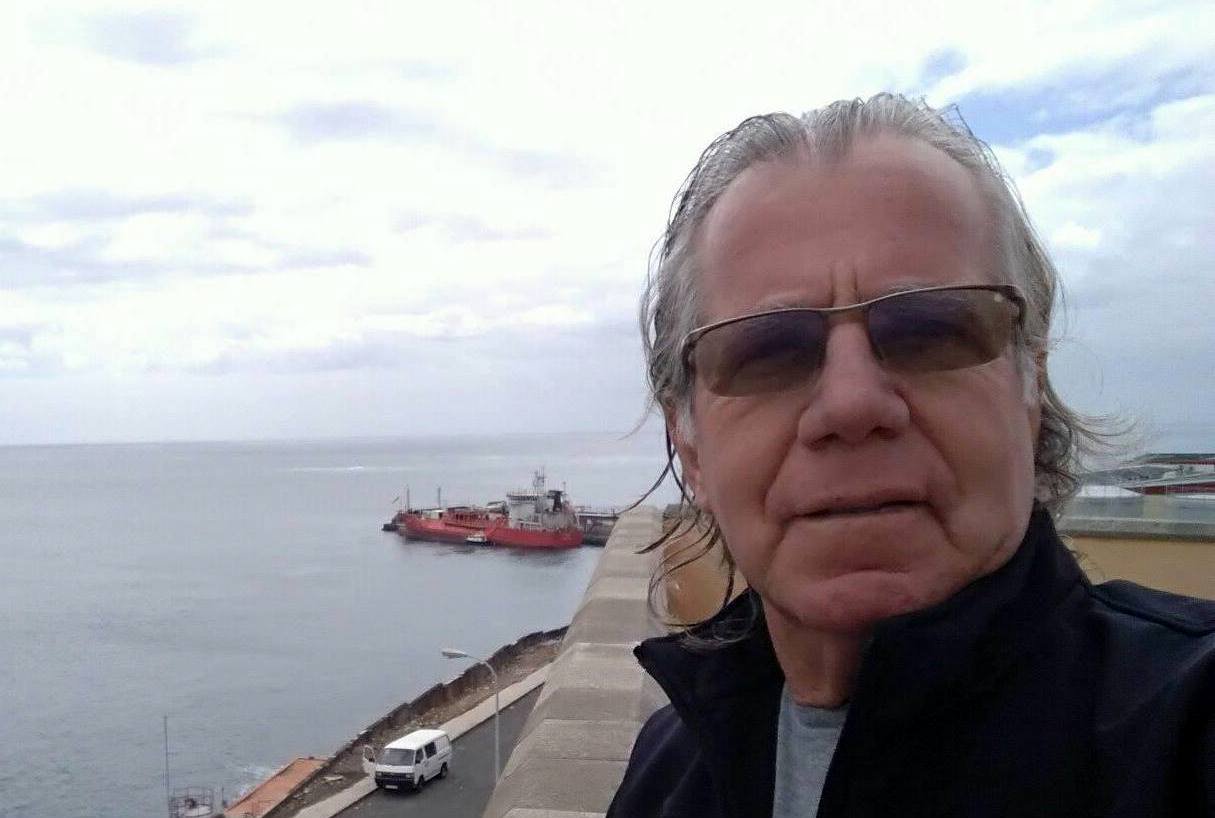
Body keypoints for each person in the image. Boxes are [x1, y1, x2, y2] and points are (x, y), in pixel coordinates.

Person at [608, 94, 1215, 817]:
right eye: (767, 351)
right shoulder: (664, 775)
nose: (851, 404)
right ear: (690, 446)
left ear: (1029, 393)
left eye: (930, 332)